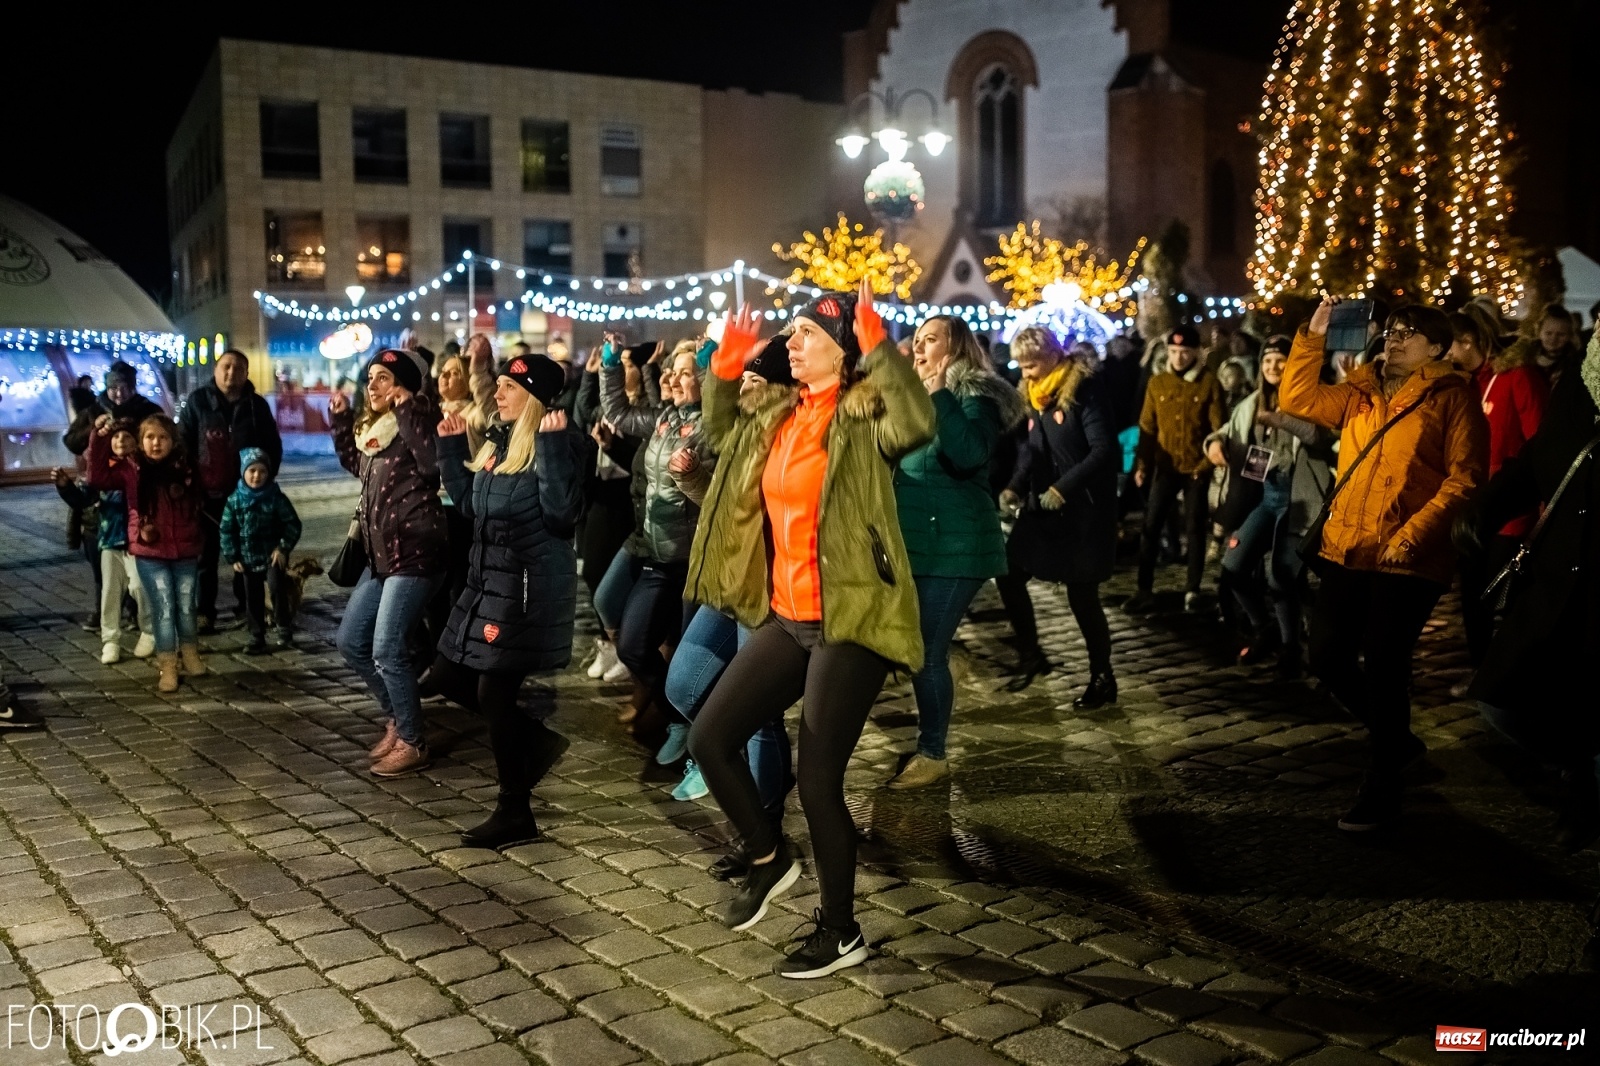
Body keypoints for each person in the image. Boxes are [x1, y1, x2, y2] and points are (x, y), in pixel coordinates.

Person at [686, 282, 935, 978]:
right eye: (789, 333)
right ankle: (769, 856)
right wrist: (724, 370)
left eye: (806, 335)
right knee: (710, 738)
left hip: (849, 619)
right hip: (787, 617)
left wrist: (880, 345)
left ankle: (841, 931)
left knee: (818, 780)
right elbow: (720, 435)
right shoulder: (780, 415)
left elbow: (917, 422)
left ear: (841, 353)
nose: (789, 343)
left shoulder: (862, 416)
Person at [1282, 299, 1487, 832]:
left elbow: (1465, 478)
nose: (1393, 339)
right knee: (1327, 655)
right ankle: (1398, 742)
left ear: (1437, 347)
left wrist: (1414, 534)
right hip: (1349, 546)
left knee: (1384, 663)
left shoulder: (1453, 398)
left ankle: (1383, 783)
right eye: (1392, 330)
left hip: (1407, 555)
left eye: (1408, 333)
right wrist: (1312, 336)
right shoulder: (1361, 389)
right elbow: (1297, 398)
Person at [430, 353, 586, 849]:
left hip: (525, 589)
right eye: (497, 384)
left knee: (493, 694)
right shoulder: (500, 441)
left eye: (509, 387)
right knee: (446, 674)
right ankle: (536, 743)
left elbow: (562, 517)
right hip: (487, 584)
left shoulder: (557, 441)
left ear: (534, 397)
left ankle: (514, 811)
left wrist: (554, 448)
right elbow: (471, 506)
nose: (497, 393)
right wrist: (451, 450)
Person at [1459, 330, 1600, 860]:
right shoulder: (1580, 384)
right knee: (1502, 702)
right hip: (1556, 583)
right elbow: (1539, 458)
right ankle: (1579, 776)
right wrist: (1485, 509)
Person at [887, 315, 1027, 789]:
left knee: (925, 651)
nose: (918, 348)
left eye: (931, 340)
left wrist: (941, 393)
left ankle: (933, 754)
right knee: (917, 645)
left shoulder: (974, 396)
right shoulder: (914, 395)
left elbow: (968, 454)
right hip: (919, 541)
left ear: (957, 348)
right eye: (917, 340)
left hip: (956, 544)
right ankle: (953, 658)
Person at [662, 337, 795, 821]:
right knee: (683, 685)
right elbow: (729, 509)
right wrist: (694, 478)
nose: (743, 388)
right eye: (742, 379)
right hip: (727, 581)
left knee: (760, 715)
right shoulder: (743, 430)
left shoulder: (786, 434)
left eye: (754, 380)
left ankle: (764, 824)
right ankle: (738, 761)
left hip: (763, 585)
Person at [330, 349, 448, 777]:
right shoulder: (377, 429)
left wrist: (408, 410)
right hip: (382, 556)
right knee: (350, 642)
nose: (373, 386)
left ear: (404, 385)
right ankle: (399, 717)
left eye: (384, 377)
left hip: (416, 552)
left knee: (387, 647)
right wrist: (341, 422)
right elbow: (357, 464)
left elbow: (432, 465)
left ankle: (414, 742)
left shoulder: (420, 419)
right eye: (370, 379)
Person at [596, 338, 712, 747]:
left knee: (689, 655)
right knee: (632, 645)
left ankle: (689, 728)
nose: (673, 380)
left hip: (692, 560)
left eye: (686, 373)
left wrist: (711, 367)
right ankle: (668, 708)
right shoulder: (666, 417)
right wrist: (610, 367)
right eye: (673, 372)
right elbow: (619, 413)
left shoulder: (712, 424)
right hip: (657, 554)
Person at [997, 333, 1120, 703]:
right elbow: (1031, 452)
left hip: (1084, 511)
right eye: (1021, 366)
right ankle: (1031, 653)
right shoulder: (1035, 395)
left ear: (1052, 355)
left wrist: (1063, 488)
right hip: (1043, 510)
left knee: (1082, 596)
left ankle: (1102, 677)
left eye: (1031, 364)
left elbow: (1103, 449)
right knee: (1009, 570)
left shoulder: (1083, 389)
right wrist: (1015, 487)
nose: (1025, 373)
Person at [1205, 335, 1334, 678]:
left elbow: (1322, 437)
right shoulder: (1252, 402)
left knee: (1281, 577)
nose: (1273, 366)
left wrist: (1282, 420)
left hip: (1302, 501)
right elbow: (1227, 430)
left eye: (1280, 360)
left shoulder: (1311, 397)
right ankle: (1265, 629)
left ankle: (1292, 648)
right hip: (1267, 498)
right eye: (1267, 360)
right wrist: (1214, 443)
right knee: (1233, 567)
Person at [1448, 308, 1547, 686]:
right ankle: (1481, 675)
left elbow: (1539, 442)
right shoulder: (1466, 382)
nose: (1446, 354)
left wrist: (1542, 508)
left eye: (1451, 346)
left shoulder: (1517, 376)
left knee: (1502, 595)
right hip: (1473, 508)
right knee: (1472, 596)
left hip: (1511, 512)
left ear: (1468, 341)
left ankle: (1512, 678)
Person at [86, 413, 207, 693]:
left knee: (186, 606)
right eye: (150, 437)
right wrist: (100, 438)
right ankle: (168, 666)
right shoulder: (132, 469)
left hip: (185, 549)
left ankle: (190, 653)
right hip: (150, 551)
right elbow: (97, 477)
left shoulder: (185, 467)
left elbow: (212, 482)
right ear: (141, 442)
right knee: (163, 610)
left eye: (163, 437)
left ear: (173, 441)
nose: (156, 443)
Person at [179, 349, 282, 633]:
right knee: (205, 557)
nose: (231, 373)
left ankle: (247, 608)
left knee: (248, 553)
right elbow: (183, 442)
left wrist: (265, 481)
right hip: (206, 495)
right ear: (215, 370)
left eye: (238, 368)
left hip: (246, 496)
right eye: (226, 366)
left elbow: (272, 445)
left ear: (246, 373)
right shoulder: (198, 402)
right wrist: (188, 483)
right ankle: (204, 611)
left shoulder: (256, 406)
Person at [1127, 324, 1228, 613]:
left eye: (1184, 352)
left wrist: (1205, 465)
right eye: (1173, 351)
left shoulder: (1208, 383)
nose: (1178, 357)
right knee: (1151, 525)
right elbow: (1147, 427)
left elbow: (1220, 429)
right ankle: (1144, 589)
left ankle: (1192, 589)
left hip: (1195, 467)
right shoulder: (1158, 383)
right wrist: (1143, 464)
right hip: (1166, 467)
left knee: (1194, 528)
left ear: (1195, 352)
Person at [64, 361, 162, 631]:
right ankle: (103, 611)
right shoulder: (94, 409)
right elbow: (71, 441)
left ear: (133, 387)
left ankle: (133, 611)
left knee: (134, 556)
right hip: (98, 496)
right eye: (113, 387)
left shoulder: (147, 409)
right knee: (100, 557)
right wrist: (93, 429)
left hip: (135, 492)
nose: (119, 393)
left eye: (124, 387)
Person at [574, 343, 648, 683]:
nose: (620, 368)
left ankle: (625, 648)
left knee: (621, 580)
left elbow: (640, 462)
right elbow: (583, 410)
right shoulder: (606, 405)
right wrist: (590, 376)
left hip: (626, 498)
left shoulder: (645, 410)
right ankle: (608, 642)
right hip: (600, 494)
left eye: (627, 364)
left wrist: (612, 446)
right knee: (593, 572)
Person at [53, 420, 156, 664]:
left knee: (139, 586)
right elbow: (83, 500)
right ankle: (110, 640)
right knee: (110, 591)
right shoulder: (103, 471)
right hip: (110, 539)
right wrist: (66, 487)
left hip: (137, 542)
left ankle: (149, 630)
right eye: (115, 437)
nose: (121, 441)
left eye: (126, 437)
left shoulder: (142, 469)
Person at [219, 447, 303, 654]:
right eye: (252, 470)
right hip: (247, 558)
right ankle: (257, 634)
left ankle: (284, 627)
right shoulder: (235, 500)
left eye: (262, 471)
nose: (257, 476)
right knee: (253, 597)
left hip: (272, 556)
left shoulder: (275, 498)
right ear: (244, 472)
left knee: (276, 589)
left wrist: (282, 548)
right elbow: (226, 530)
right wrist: (232, 556)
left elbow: (292, 524)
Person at [1502, 302, 1583, 390]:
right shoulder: (1525, 357)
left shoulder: (1575, 365)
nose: (1553, 339)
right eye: (1548, 333)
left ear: (1570, 336)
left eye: (1561, 334)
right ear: (1539, 332)